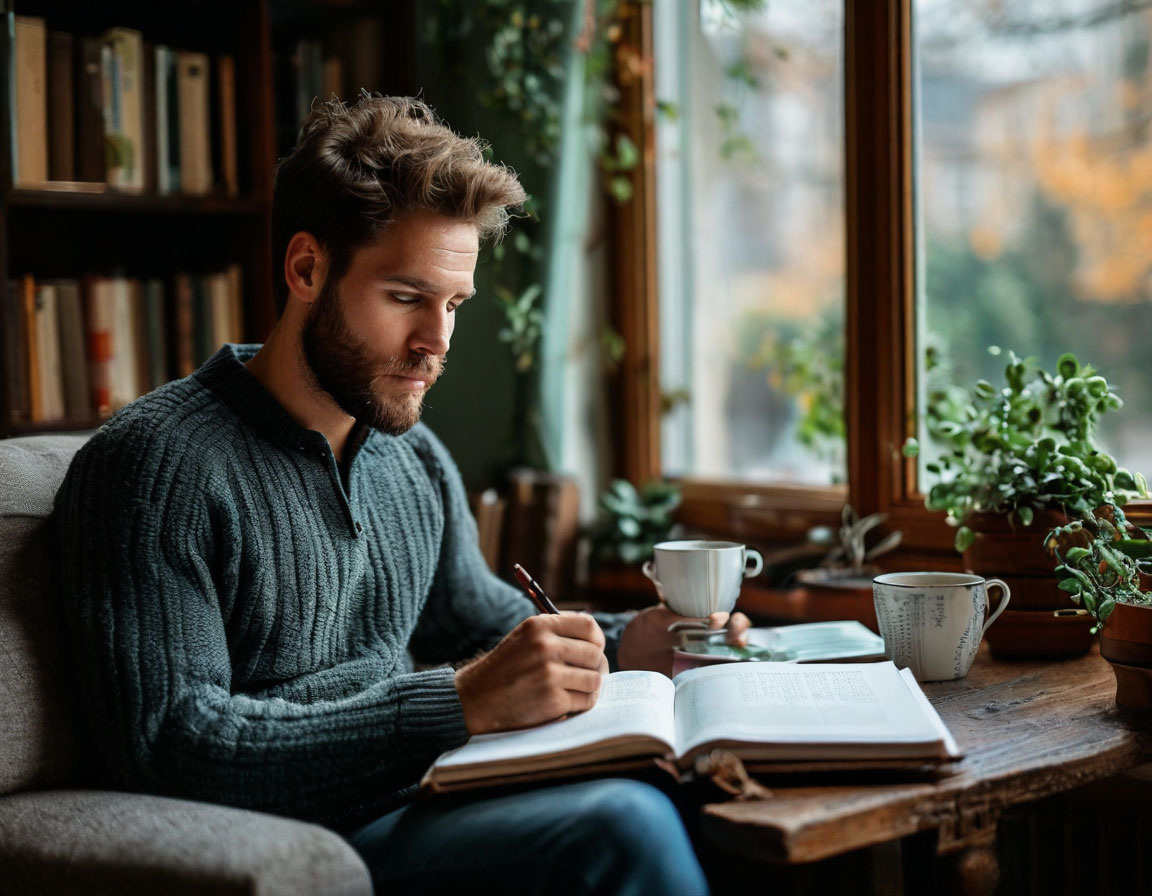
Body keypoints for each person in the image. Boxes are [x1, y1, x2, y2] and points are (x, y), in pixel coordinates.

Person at [54, 94, 747, 895]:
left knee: (699, 786)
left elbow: (477, 619)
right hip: (314, 832)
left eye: (453, 305)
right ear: (307, 269)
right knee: (622, 827)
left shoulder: (409, 454)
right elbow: (174, 743)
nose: (436, 343)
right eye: (407, 297)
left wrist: (631, 644)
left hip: (438, 788)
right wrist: (455, 706)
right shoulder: (153, 467)